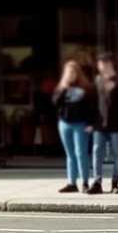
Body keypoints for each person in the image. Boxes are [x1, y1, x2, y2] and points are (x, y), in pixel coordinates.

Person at [52, 60, 97, 194]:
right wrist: (63, 88)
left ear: (78, 73)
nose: (70, 75)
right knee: (70, 154)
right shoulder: (61, 88)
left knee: (80, 152)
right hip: (64, 123)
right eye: (67, 72)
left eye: (72, 72)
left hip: (80, 123)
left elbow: (92, 107)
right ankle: (71, 183)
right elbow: (55, 102)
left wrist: (90, 123)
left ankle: (84, 182)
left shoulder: (86, 88)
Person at [89, 52, 118, 195]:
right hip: (99, 125)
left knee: (117, 154)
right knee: (96, 153)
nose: (102, 66)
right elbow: (92, 103)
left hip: (116, 125)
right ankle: (97, 183)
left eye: (105, 63)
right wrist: (90, 122)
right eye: (100, 64)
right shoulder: (97, 81)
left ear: (111, 64)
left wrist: (113, 89)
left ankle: (115, 184)